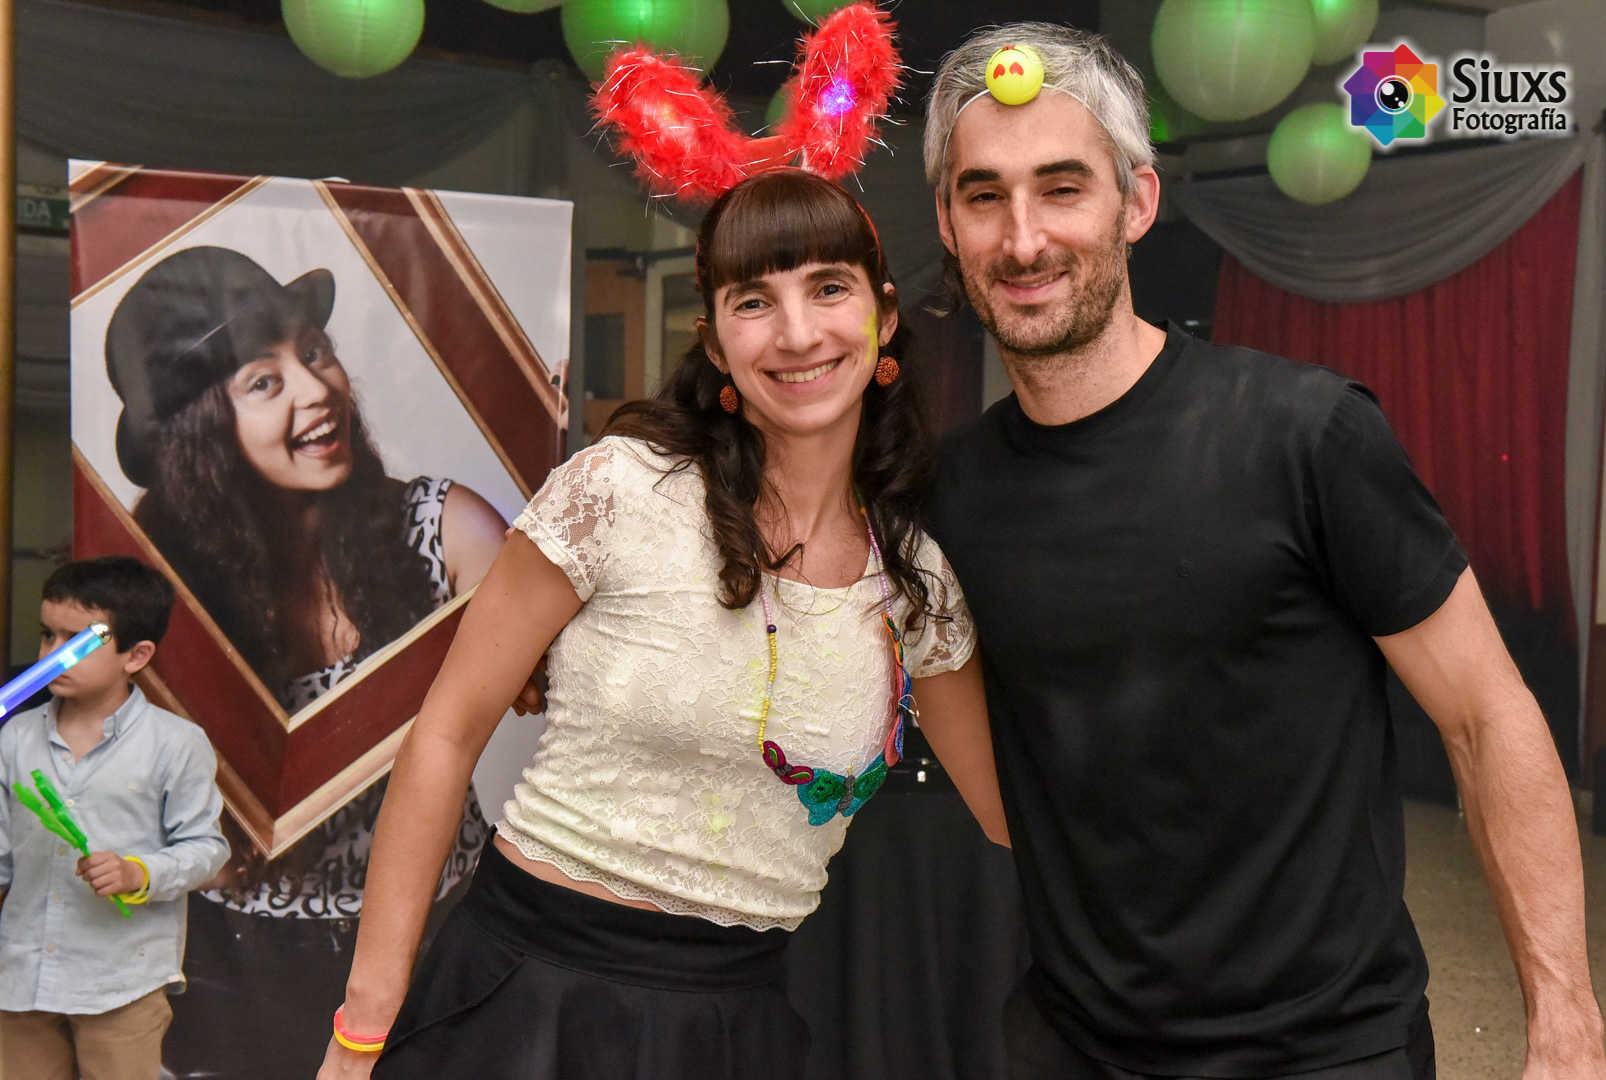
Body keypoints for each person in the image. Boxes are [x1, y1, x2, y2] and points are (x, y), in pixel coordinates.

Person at [921, 23, 1606, 1080]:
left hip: (1325, 1052)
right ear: (947, 221)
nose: (1024, 240)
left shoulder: (1306, 435)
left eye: (1063, 188)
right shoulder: (951, 495)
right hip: (1074, 1045)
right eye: (985, 196)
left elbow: (1486, 716)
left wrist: (1567, 1027)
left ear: (1136, 203)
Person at [317, 169, 1008, 1080]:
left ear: (882, 318)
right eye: (754, 301)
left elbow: (1011, 814)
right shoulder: (620, 492)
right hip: (527, 1000)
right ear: (714, 342)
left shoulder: (914, 576)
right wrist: (362, 1029)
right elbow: (446, 735)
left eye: (828, 288)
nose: (798, 333)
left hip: (733, 1028)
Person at [99, 245, 501, 1079]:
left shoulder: (446, 531)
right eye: (264, 381)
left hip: (446, 937)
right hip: (241, 970)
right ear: (205, 437)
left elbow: (562, 694)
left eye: (313, 351)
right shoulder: (160, 599)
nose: (317, 389)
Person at [0, 555, 229, 1080]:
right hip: (21, 977)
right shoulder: (14, 737)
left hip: (121, 982)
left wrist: (138, 872)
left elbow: (207, 848)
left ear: (136, 655)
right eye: (47, 635)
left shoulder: (176, 744)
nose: (52, 656)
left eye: (77, 643)